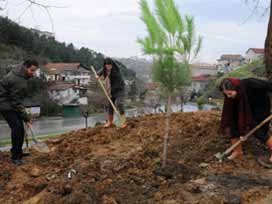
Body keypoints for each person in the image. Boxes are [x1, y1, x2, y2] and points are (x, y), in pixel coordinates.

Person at [220, 77, 272, 162]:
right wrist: (241, 132)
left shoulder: (251, 84)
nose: (228, 97)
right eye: (226, 94)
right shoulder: (232, 98)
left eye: (229, 93)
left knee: (256, 128)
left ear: (235, 88)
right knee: (232, 123)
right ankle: (237, 151)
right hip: (244, 107)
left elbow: (269, 86)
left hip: (260, 106)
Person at [0, 59, 39, 165]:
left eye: (35, 71)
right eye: (32, 70)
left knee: (20, 129)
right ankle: (15, 157)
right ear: (26, 67)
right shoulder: (17, 80)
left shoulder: (20, 72)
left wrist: (25, 117)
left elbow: (17, 100)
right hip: (5, 105)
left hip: (11, 103)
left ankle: (19, 152)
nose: (33, 73)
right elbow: (16, 101)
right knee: (17, 128)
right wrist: (26, 117)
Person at [96, 58, 127, 128]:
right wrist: (98, 75)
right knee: (110, 106)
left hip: (120, 89)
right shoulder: (105, 68)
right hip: (112, 89)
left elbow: (117, 84)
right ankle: (110, 122)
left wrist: (109, 92)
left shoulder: (116, 71)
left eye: (109, 66)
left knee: (119, 104)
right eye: (106, 66)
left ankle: (123, 122)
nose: (108, 67)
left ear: (112, 65)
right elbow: (102, 70)